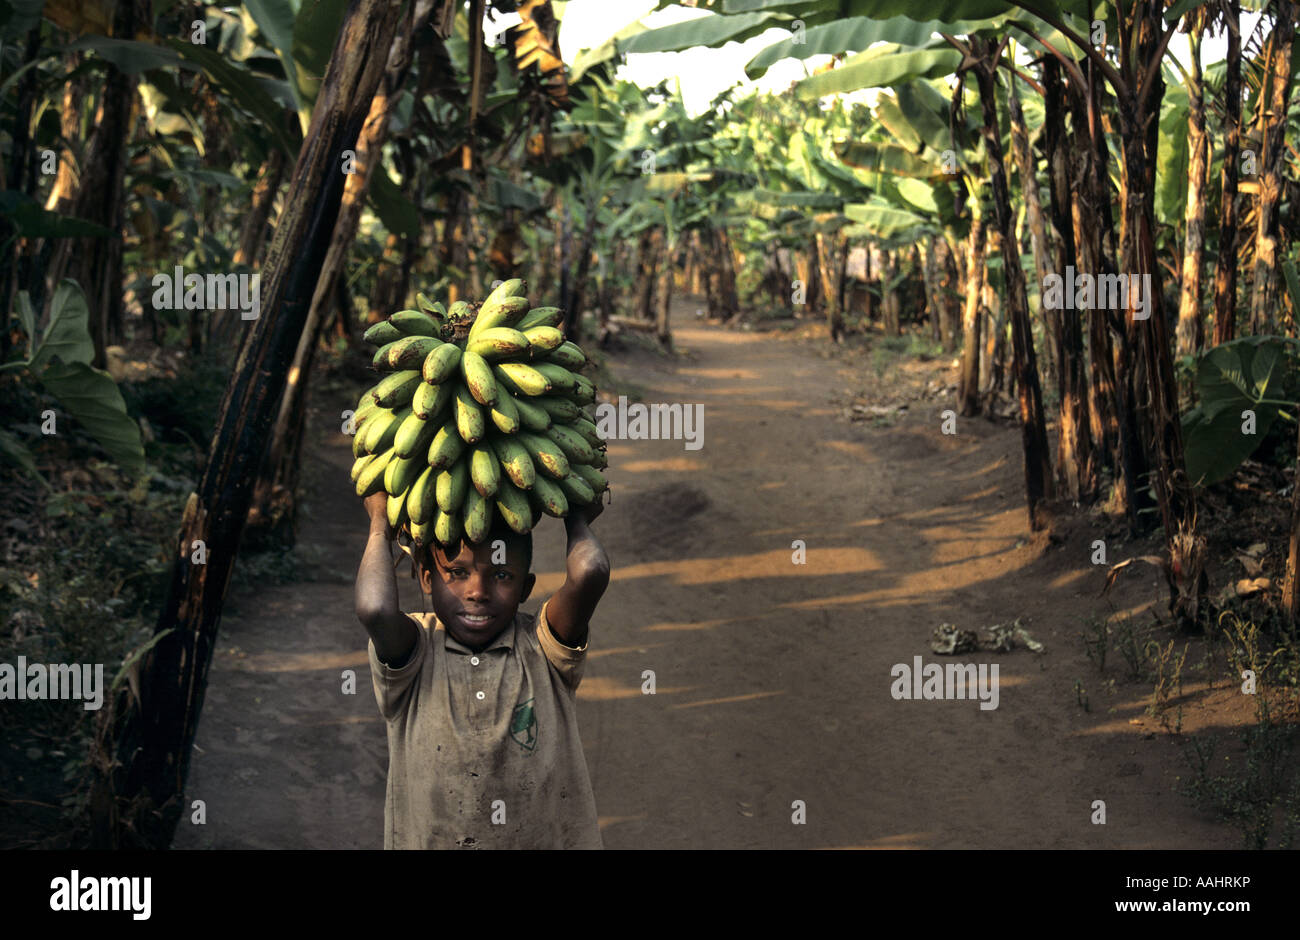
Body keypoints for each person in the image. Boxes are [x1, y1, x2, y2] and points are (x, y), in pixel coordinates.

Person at [355, 491, 610, 849]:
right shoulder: (416, 651)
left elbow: (590, 573)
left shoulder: (542, 647)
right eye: (457, 573)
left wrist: (576, 518)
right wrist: (380, 523)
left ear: (526, 588)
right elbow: (375, 610)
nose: (478, 592)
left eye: (502, 575)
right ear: (426, 579)